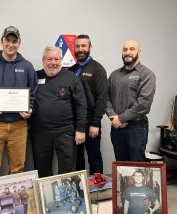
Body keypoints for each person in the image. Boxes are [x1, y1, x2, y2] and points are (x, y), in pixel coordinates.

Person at [0, 26, 38, 179]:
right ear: (1, 41)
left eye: (14, 41)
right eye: (7, 40)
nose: (11, 44)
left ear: (19, 43)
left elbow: (33, 92)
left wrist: (29, 108)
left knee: (17, 169)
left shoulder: (27, 66)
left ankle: (15, 203)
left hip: (19, 125)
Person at [30, 46, 87, 178]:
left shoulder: (71, 78)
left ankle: (66, 198)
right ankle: (46, 198)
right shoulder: (35, 76)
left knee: (67, 170)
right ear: (43, 60)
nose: (53, 62)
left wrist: (80, 129)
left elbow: (81, 104)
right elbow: (27, 98)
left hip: (65, 132)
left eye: (56, 59)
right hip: (40, 133)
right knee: (41, 169)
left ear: (61, 60)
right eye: (49, 59)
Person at [105, 40, 156, 161]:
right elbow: (105, 98)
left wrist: (121, 118)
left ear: (139, 51)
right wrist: (113, 117)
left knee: (136, 168)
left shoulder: (147, 74)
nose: (128, 52)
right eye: (125, 49)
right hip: (116, 127)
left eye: (132, 49)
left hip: (136, 128)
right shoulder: (114, 75)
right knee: (120, 166)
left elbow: (144, 104)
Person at [68, 34, 108, 174]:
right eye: (77, 46)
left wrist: (95, 123)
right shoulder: (70, 70)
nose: (80, 49)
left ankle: (98, 189)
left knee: (94, 157)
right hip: (74, 122)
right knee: (77, 158)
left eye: (84, 46)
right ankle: (82, 189)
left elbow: (102, 98)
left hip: (91, 122)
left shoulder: (98, 69)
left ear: (90, 47)